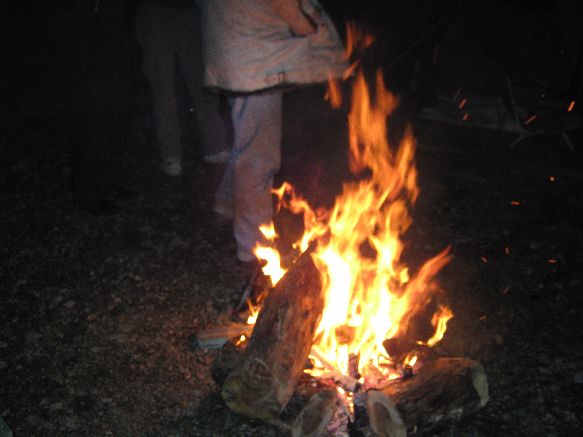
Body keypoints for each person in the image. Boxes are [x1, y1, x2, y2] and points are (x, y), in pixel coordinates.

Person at [198, 0, 347, 264]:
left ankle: (226, 200)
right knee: (258, 157)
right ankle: (254, 249)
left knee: (248, 141)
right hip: (255, 60)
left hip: (241, 52)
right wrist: (309, 29)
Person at [135, 0, 231, 177]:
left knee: (201, 80)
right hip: (153, 10)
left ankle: (215, 147)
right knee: (162, 85)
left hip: (189, 10)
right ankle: (171, 154)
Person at [68, 0, 137, 215]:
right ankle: (90, 196)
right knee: (94, 132)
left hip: (116, 64)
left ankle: (108, 185)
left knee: (116, 129)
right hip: (92, 69)